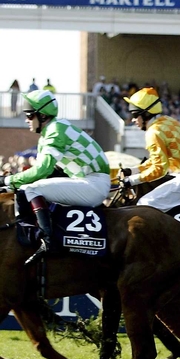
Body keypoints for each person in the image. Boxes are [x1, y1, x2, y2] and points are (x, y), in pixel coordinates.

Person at [0, 90, 111, 264]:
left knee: (31, 189)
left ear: (42, 116)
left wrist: (7, 180)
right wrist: (10, 185)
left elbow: (42, 170)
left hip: (93, 183)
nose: (26, 120)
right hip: (86, 181)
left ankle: (48, 241)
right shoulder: (51, 131)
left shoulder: (55, 130)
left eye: (29, 115)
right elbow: (48, 172)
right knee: (27, 188)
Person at [121, 87, 180, 212]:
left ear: (146, 114)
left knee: (144, 205)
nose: (133, 120)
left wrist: (131, 180)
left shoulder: (153, 132)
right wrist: (134, 170)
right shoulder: (168, 120)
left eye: (135, 115)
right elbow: (157, 160)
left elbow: (159, 169)